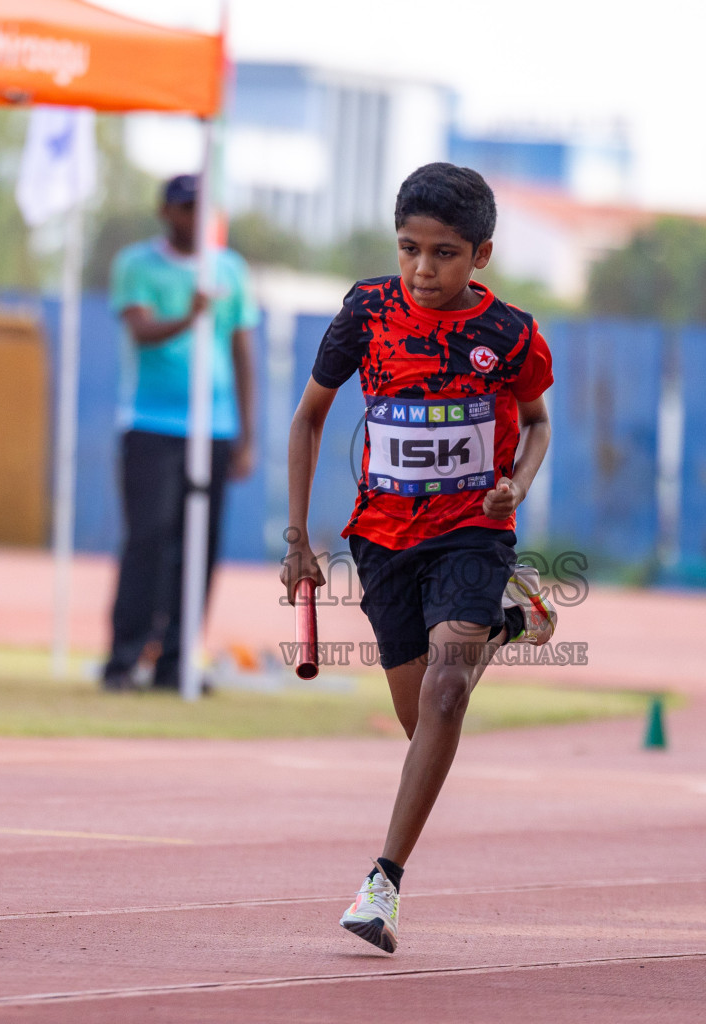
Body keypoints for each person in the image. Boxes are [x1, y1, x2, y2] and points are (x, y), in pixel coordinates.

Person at [280, 163, 558, 954]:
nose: (423, 270)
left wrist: (517, 484)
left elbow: (537, 423)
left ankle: (383, 883)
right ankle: (508, 620)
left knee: (444, 696)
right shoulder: (366, 312)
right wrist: (300, 539)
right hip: (381, 539)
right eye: (410, 249)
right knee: (420, 721)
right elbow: (307, 421)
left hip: (472, 532)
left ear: (482, 255)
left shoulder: (508, 334)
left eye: (444, 254)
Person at [102, 174, 259, 692]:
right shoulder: (137, 265)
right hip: (152, 424)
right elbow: (141, 330)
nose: (197, 219)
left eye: (204, 209)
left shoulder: (229, 269)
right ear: (166, 212)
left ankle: (175, 663)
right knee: (148, 540)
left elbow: (240, 350)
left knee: (200, 547)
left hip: (213, 429)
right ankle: (123, 659)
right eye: (187, 209)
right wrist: (190, 315)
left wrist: (247, 435)